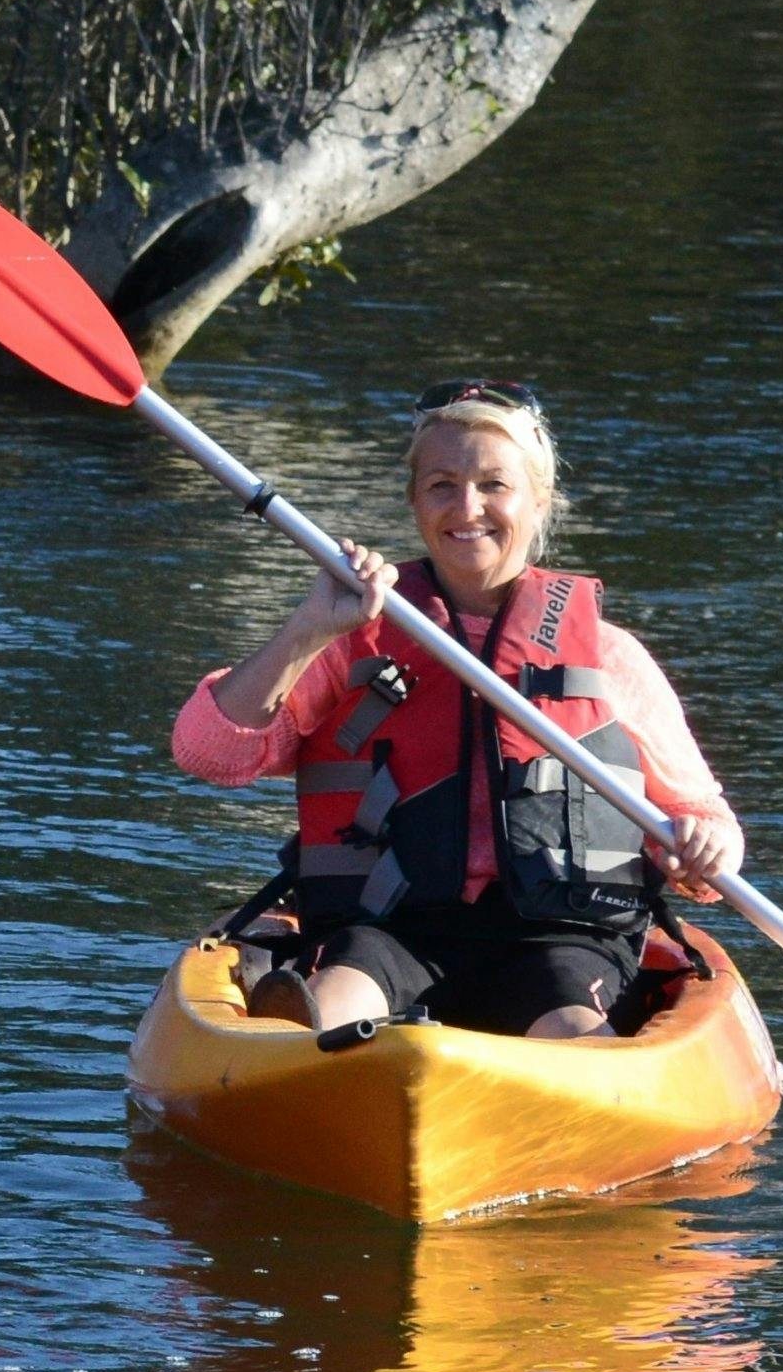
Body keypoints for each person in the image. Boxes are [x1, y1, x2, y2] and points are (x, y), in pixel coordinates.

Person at [173, 382, 750, 1046]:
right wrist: (306, 627)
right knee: (333, 1004)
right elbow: (209, 752)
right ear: (415, 501)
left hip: (557, 937)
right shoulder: (349, 634)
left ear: (539, 500)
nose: (466, 507)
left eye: (493, 485)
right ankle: (299, 1067)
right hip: (387, 927)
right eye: (442, 484)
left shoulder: (610, 658)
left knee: (569, 1023)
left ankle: (581, 1088)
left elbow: (707, 826)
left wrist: (703, 848)